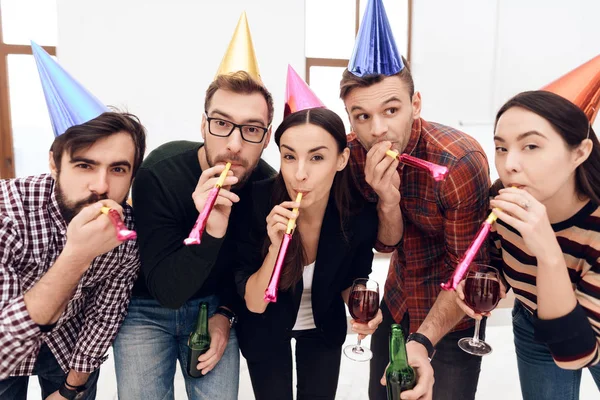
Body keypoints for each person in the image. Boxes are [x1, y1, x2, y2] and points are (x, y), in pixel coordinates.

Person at [112, 15, 276, 399]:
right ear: (202, 125)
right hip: (146, 307)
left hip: (216, 307)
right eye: (222, 123)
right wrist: (209, 228)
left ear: (265, 139)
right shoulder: (159, 175)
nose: (234, 144)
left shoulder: (267, 185)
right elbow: (167, 290)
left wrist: (225, 316)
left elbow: (248, 272)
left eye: (251, 129)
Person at [340, 1, 491, 399]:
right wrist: (387, 199)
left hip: (451, 312)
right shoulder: (354, 155)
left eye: (391, 110)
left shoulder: (458, 161)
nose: (379, 130)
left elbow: (467, 269)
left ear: (416, 104)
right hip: (397, 298)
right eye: (362, 116)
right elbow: (385, 245)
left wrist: (423, 342)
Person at [0, 42, 146, 400]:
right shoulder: (7, 210)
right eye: (84, 165)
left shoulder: (126, 231)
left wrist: (70, 389)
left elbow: (104, 316)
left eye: (118, 169)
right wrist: (77, 256)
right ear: (54, 162)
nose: (100, 187)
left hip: (68, 348)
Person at [456, 90, 600, 400]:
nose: (510, 164)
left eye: (531, 146)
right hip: (533, 321)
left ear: (580, 152)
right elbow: (497, 257)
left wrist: (547, 250)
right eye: (501, 148)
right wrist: (488, 281)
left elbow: (578, 352)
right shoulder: (503, 199)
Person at [234, 106, 380, 400]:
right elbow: (254, 303)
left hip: (323, 326)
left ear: (341, 159)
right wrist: (276, 248)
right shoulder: (254, 201)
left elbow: (355, 279)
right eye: (289, 157)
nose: (299, 174)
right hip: (265, 327)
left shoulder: (358, 214)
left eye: (316, 157)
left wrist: (363, 308)